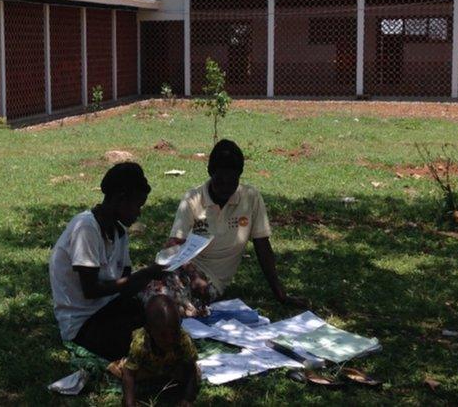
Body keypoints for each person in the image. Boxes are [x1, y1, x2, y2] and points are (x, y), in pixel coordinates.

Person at [154, 139, 304, 312]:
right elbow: (174, 245)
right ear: (210, 172)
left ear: (239, 176)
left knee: (169, 304)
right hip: (183, 267)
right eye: (220, 181)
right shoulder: (193, 198)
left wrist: (281, 294)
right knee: (151, 287)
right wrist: (192, 273)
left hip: (210, 281)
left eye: (231, 182)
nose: (225, 188)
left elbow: (262, 246)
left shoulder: (251, 198)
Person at [48, 162, 165, 361]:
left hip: (108, 310)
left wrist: (151, 279)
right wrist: (144, 274)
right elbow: (91, 289)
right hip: (82, 323)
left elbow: (125, 286)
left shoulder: (119, 233)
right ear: (120, 199)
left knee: (160, 315)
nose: (139, 213)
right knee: (141, 344)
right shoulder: (85, 228)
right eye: (137, 205)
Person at [111, 295, 200, 407]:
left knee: (193, 373)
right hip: (146, 369)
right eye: (163, 335)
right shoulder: (141, 343)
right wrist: (129, 403)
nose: (170, 339)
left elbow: (190, 369)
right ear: (149, 330)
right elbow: (129, 374)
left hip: (171, 367)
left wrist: (188, 398)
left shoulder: (183, 339)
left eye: (175, 333)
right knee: (125, 374)